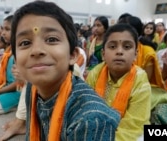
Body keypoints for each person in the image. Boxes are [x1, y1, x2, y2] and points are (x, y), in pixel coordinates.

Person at [10, 1, 120, 141]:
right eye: (25, 43)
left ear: (73, 55)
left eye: (51, 39)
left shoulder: (91, 120)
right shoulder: (33, 87)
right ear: (15, 59)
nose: (37, 50)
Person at [86, 23, 151, 141]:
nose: (119, 51)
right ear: (103, 54)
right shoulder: (96, 73)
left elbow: (134, 125)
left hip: (130, 132)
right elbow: (86, 108)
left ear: (136, 54)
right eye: (112, 47)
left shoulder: (140, 79)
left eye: (127, 47)